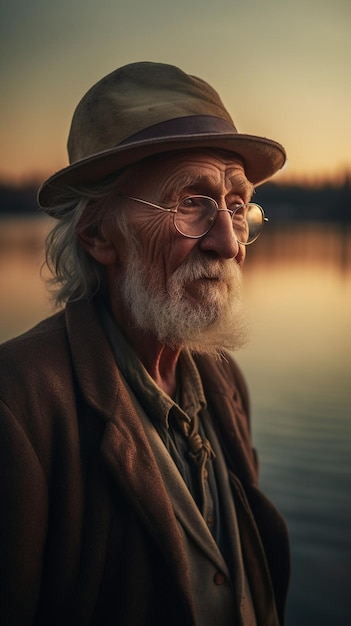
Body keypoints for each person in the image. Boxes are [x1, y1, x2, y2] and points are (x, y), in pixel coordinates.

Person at [0, 61, 290, 626]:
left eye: (236, 205)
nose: (228, 243)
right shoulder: (19, 406)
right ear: (99, 235)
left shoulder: (222, 380)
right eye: (191, 202)